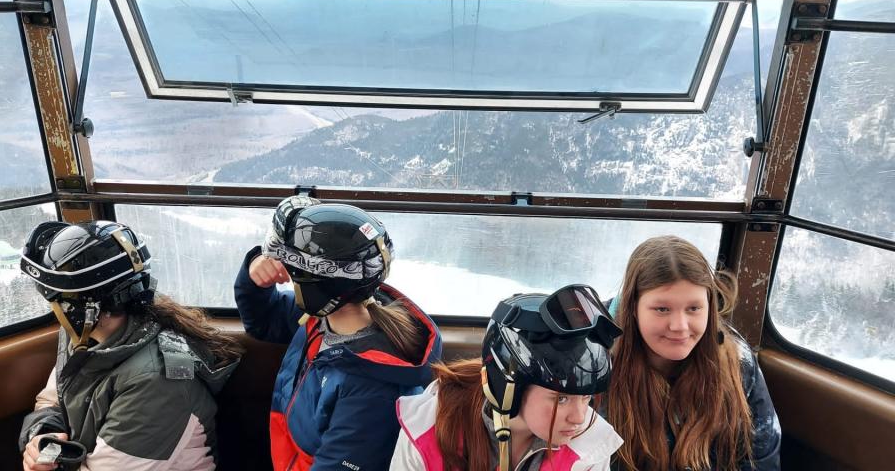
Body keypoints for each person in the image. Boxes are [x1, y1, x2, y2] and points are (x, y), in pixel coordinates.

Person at [235, 196, 442, 470]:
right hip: (287, 453)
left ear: (316, 287)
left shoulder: (371, 393)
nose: (285, 272)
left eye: (293, 271)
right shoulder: (321, 318)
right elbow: (263, 320)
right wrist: (254, 273)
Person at [17, 220, 241, 471]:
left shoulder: (159, 383)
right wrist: (44, 434)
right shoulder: (83, 338)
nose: (55, 312)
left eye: (56, 303)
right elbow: (54, 398)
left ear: (85, 309)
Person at [391, 285, 624, 471]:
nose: (579, 418)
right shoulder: (431, 427)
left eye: (586, 398)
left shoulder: (590, 447)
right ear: (509, 388)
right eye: (561, 399)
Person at [605, 235, 781, 471]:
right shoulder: (595, 363)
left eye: (694, 308)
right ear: (632, 307)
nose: (679, 325)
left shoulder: (737, 363)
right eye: (662, 309)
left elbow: (760, 462)